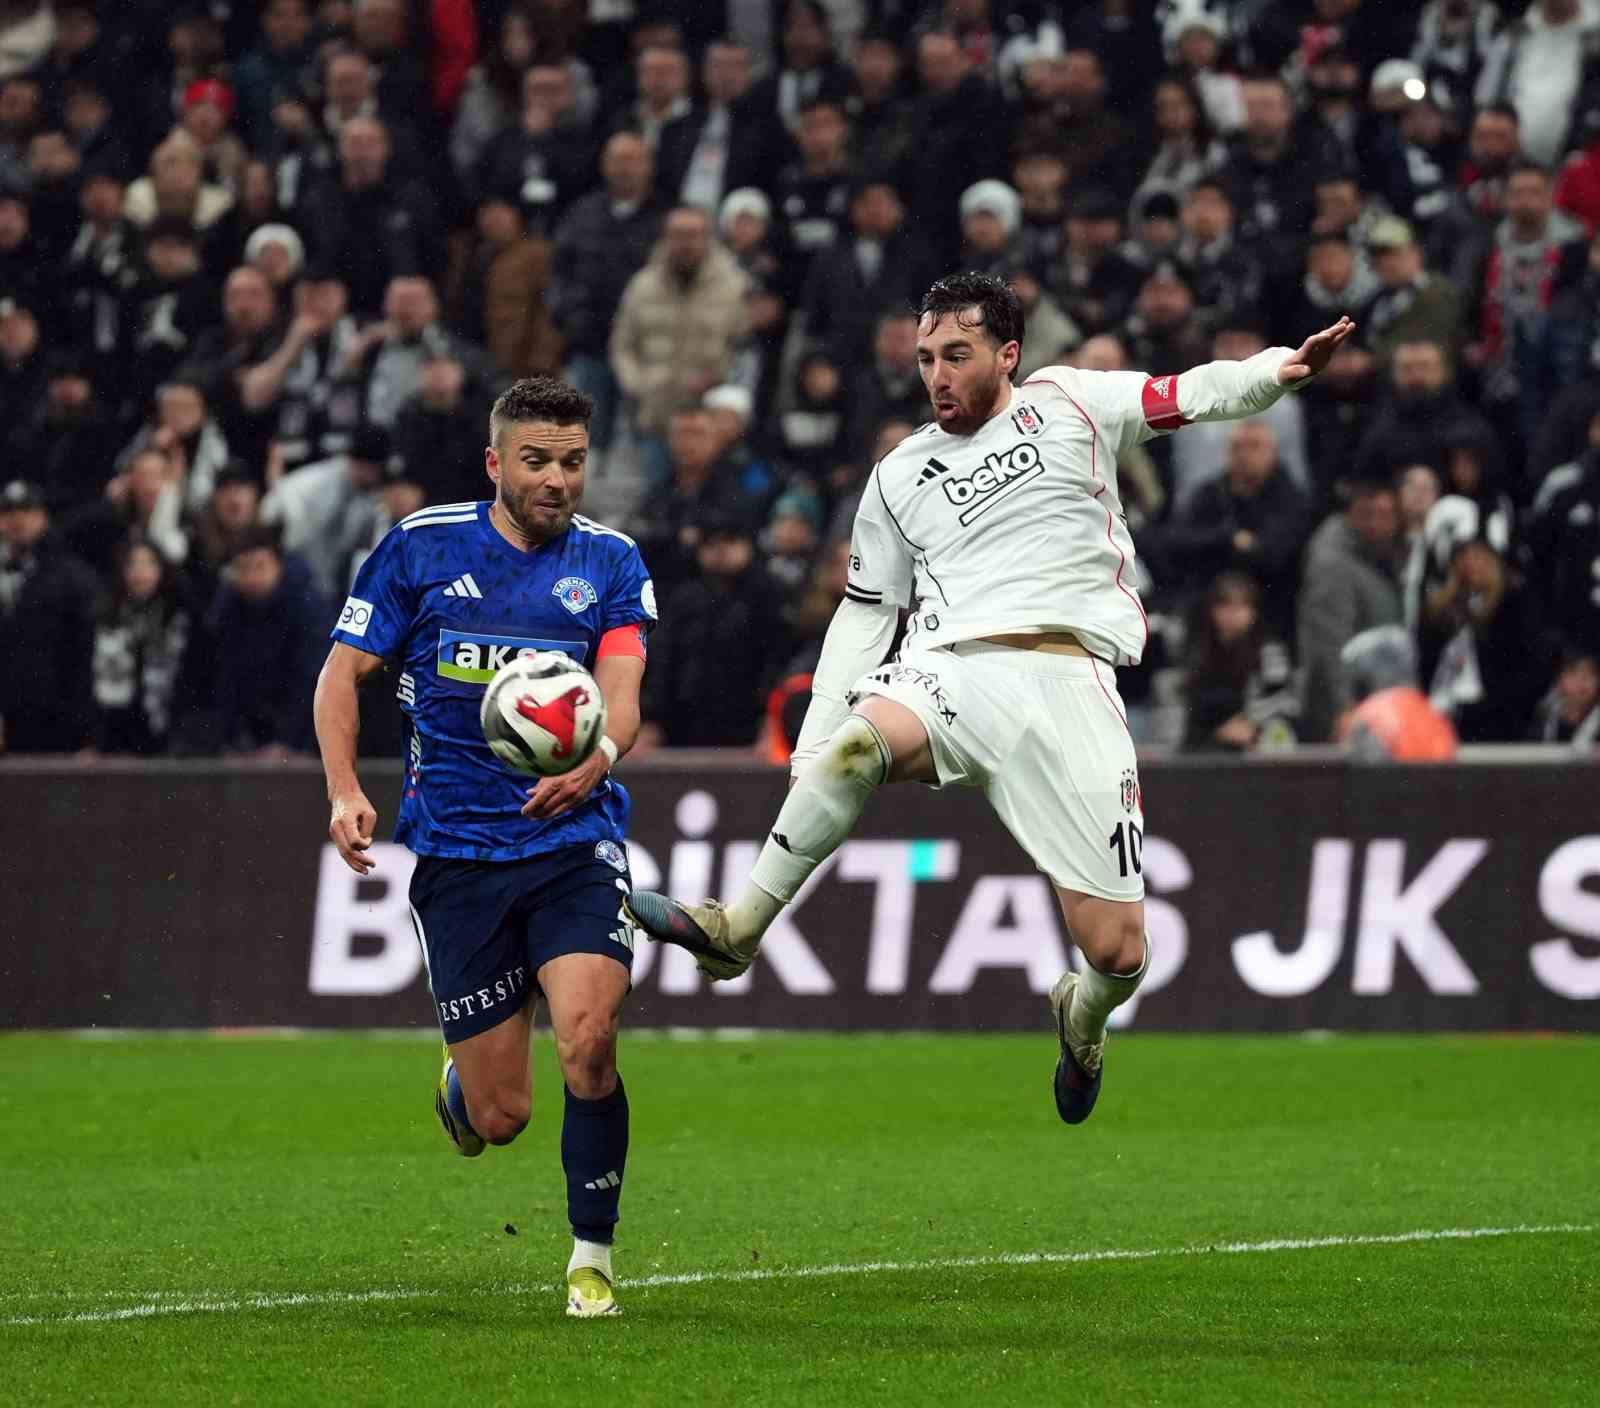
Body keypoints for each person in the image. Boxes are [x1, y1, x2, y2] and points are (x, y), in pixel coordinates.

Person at [625, 272, 1354, 1127]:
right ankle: (737, 928)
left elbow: (1186, 392)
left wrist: (1276, 371)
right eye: (927, 357)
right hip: (953, 669)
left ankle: (1081, 1015)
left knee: (1118, 954)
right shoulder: (898, 475)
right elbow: (865, 618)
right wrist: (817, 745)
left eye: (956, 356)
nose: (935, 375)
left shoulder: (1072, 402)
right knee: (862, 747)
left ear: (1007, 354)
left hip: (1071, 681)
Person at [312, 376, 656, 1319]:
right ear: (496, 463)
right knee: (502, 1117)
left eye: (574, 462)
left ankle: (593, 1257)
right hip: (459, 857)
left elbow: (621, 684)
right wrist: (345, 788)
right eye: (538, 461)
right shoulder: (422, 548)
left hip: (571, 839)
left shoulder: (611, 562)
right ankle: (465, 1092)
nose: (558, 480)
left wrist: (604, 757)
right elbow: (343, 677)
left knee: (590, 1039)